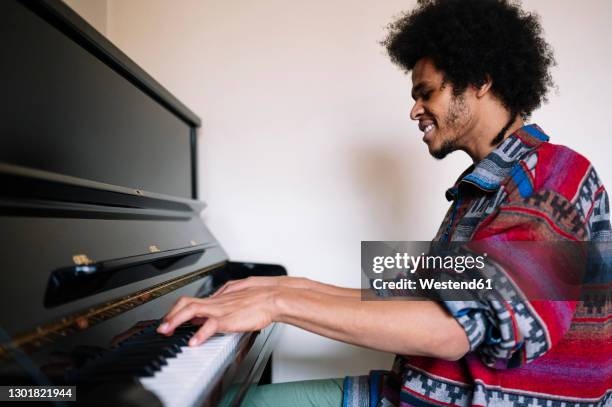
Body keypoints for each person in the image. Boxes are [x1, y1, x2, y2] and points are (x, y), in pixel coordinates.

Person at [157, 0, 611, 405]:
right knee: (240, 399)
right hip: (416, 388)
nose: (414, 110)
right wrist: (287, 286)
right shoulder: (481, 190)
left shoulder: (553, 177)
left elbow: (452, 330)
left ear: (480, 82)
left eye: (426, 92)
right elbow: (418, 299)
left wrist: (279, 303)